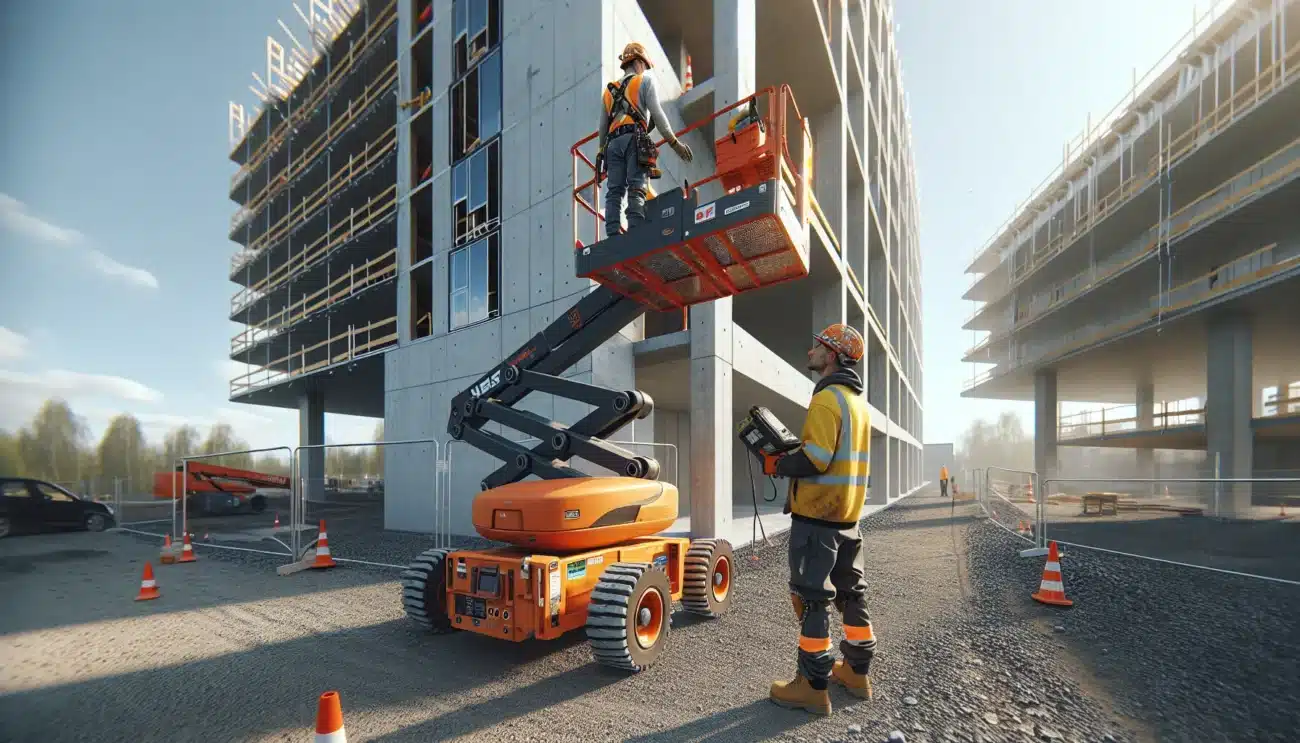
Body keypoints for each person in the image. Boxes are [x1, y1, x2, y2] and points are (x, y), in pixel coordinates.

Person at [760, 323, 874, 716]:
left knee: (812, 598)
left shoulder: (826, 400)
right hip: (848, 519)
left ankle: (812, 687)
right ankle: (856, 673)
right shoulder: (857, 404)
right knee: (851, 594)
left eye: (818, 347)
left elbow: (816, 459)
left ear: (833, 356)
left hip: (818, 519)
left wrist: (779, 464)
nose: (811, 352)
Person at [596, 42, 693, 239]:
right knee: (636, 186)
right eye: (644, 65)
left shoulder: (608, 92)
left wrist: (600, 154)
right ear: (638, 62)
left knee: (614, 190)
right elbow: (658, 115)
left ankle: (612, 233)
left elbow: (603, 129)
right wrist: (675, 143)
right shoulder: (644, 82)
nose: (644, 69)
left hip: (612, 144)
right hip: (634, 139)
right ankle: (636, 231)